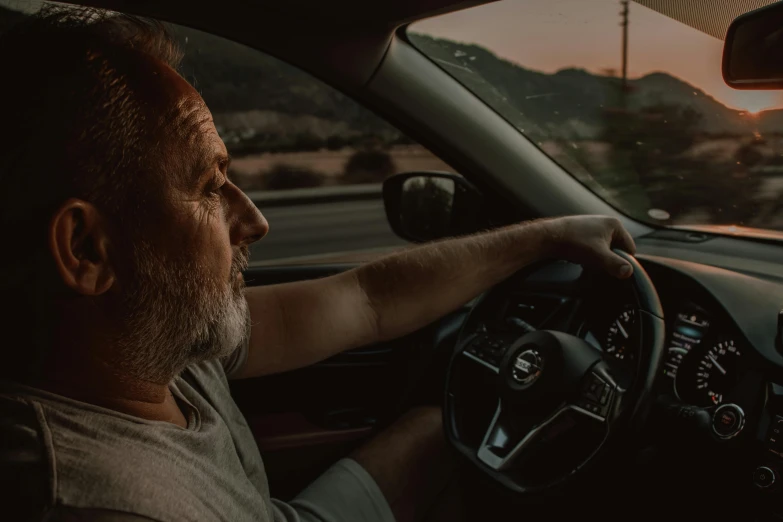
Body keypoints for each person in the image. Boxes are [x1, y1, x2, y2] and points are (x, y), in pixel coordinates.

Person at [0, 7, 637, 522]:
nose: (253, 221)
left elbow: (368, 300)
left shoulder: (152, 338)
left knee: (449, 428)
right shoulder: (93, 502)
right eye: (209, 185)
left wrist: (549, 235)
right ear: (87, 250)